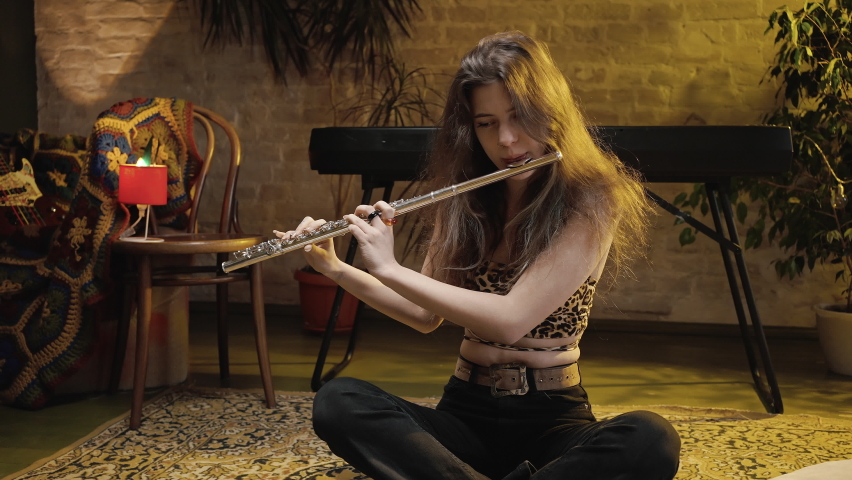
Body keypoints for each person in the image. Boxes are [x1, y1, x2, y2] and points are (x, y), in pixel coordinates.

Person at [276, 31, 681, 480]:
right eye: (487, 123)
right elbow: (421, 313)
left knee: (651, 438)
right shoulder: (466, 200)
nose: (507, 140)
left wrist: (388, 266)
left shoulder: (592, 202)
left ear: (551, 112)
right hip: (465, 409)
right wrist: (335, 268)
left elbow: (511, 319)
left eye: (519, 117)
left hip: (553, 416)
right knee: (339, 401)